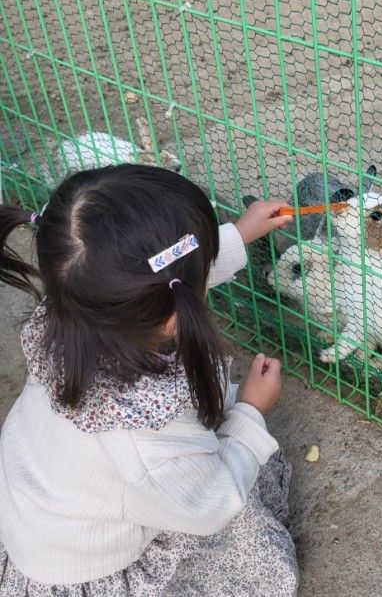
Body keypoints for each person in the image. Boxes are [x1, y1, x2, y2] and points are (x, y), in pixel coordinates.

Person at [0, 164, 299, 596]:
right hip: (83, 572)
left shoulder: (77, 306)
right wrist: (251, 411)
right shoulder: (147, 445)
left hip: (44, 514)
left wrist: (238, 233)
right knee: (250, 548)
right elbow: (210, 505)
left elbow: (158, 282)